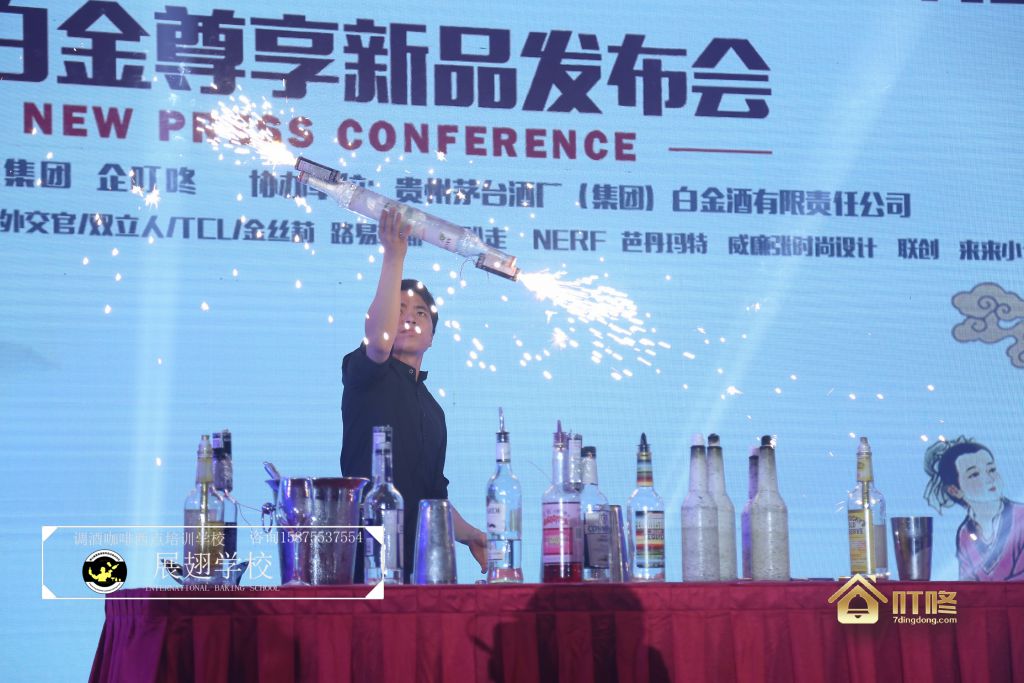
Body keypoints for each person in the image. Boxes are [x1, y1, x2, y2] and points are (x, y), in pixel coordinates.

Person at [340, 204, 487, 583]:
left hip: (421, 572)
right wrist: (394, 256)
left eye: (420, 313)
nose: (408, 316)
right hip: (366, 563)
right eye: (400, 308)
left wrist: (472, 535)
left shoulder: (434, 411)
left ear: (432, 336)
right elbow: (379, 341)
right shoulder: (365, 372)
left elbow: (433, 499)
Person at [924, 436, 1024, 581]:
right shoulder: (965, 533)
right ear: (954, 490)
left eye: (991, 469)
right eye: (974, 474)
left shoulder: (1021, 518)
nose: (990, 478)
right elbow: (966, 583)